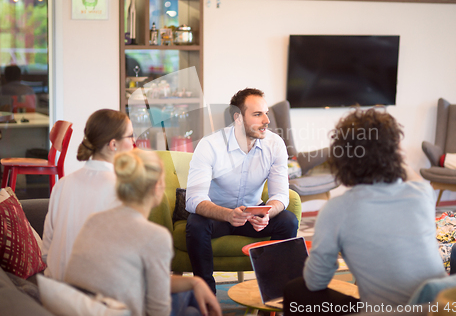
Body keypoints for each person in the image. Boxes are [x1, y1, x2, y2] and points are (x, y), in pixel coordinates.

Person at [283, 108, 447, 315]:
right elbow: (413, 176)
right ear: (397, 154)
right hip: (442, 308)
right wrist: (391, 155)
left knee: (296, 290)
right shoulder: (422, 193)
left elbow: (316, 281)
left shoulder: (337, 210)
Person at [65, 149, 221, 316]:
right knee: (194, 308)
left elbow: (147, 280)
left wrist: (195, 282)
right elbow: (158, 311)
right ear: (157, 187)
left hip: (84, 307)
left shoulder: (93, 221)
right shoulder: (155, 236)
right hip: (118, 309)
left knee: (192, 294)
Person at [185, 88, 299, 293]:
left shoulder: (275, 144)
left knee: (288, 221)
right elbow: (194, 199)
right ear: (238, 118)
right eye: (257, 114)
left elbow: (280, 195)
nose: (267, 120)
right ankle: (206, 295)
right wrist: (228, 215)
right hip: (217, 216)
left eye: (266, 113)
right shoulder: (210, 145)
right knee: (195, 224)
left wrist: (266, 213)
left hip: (253, 216)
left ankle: (275, 293)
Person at [42, 109, 135, 281]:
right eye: (130, 136)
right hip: (97, 296)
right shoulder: (123, 189)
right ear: (113, 144)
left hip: (54, 290)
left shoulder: (62, 185)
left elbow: (46, 251)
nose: (134, 142)